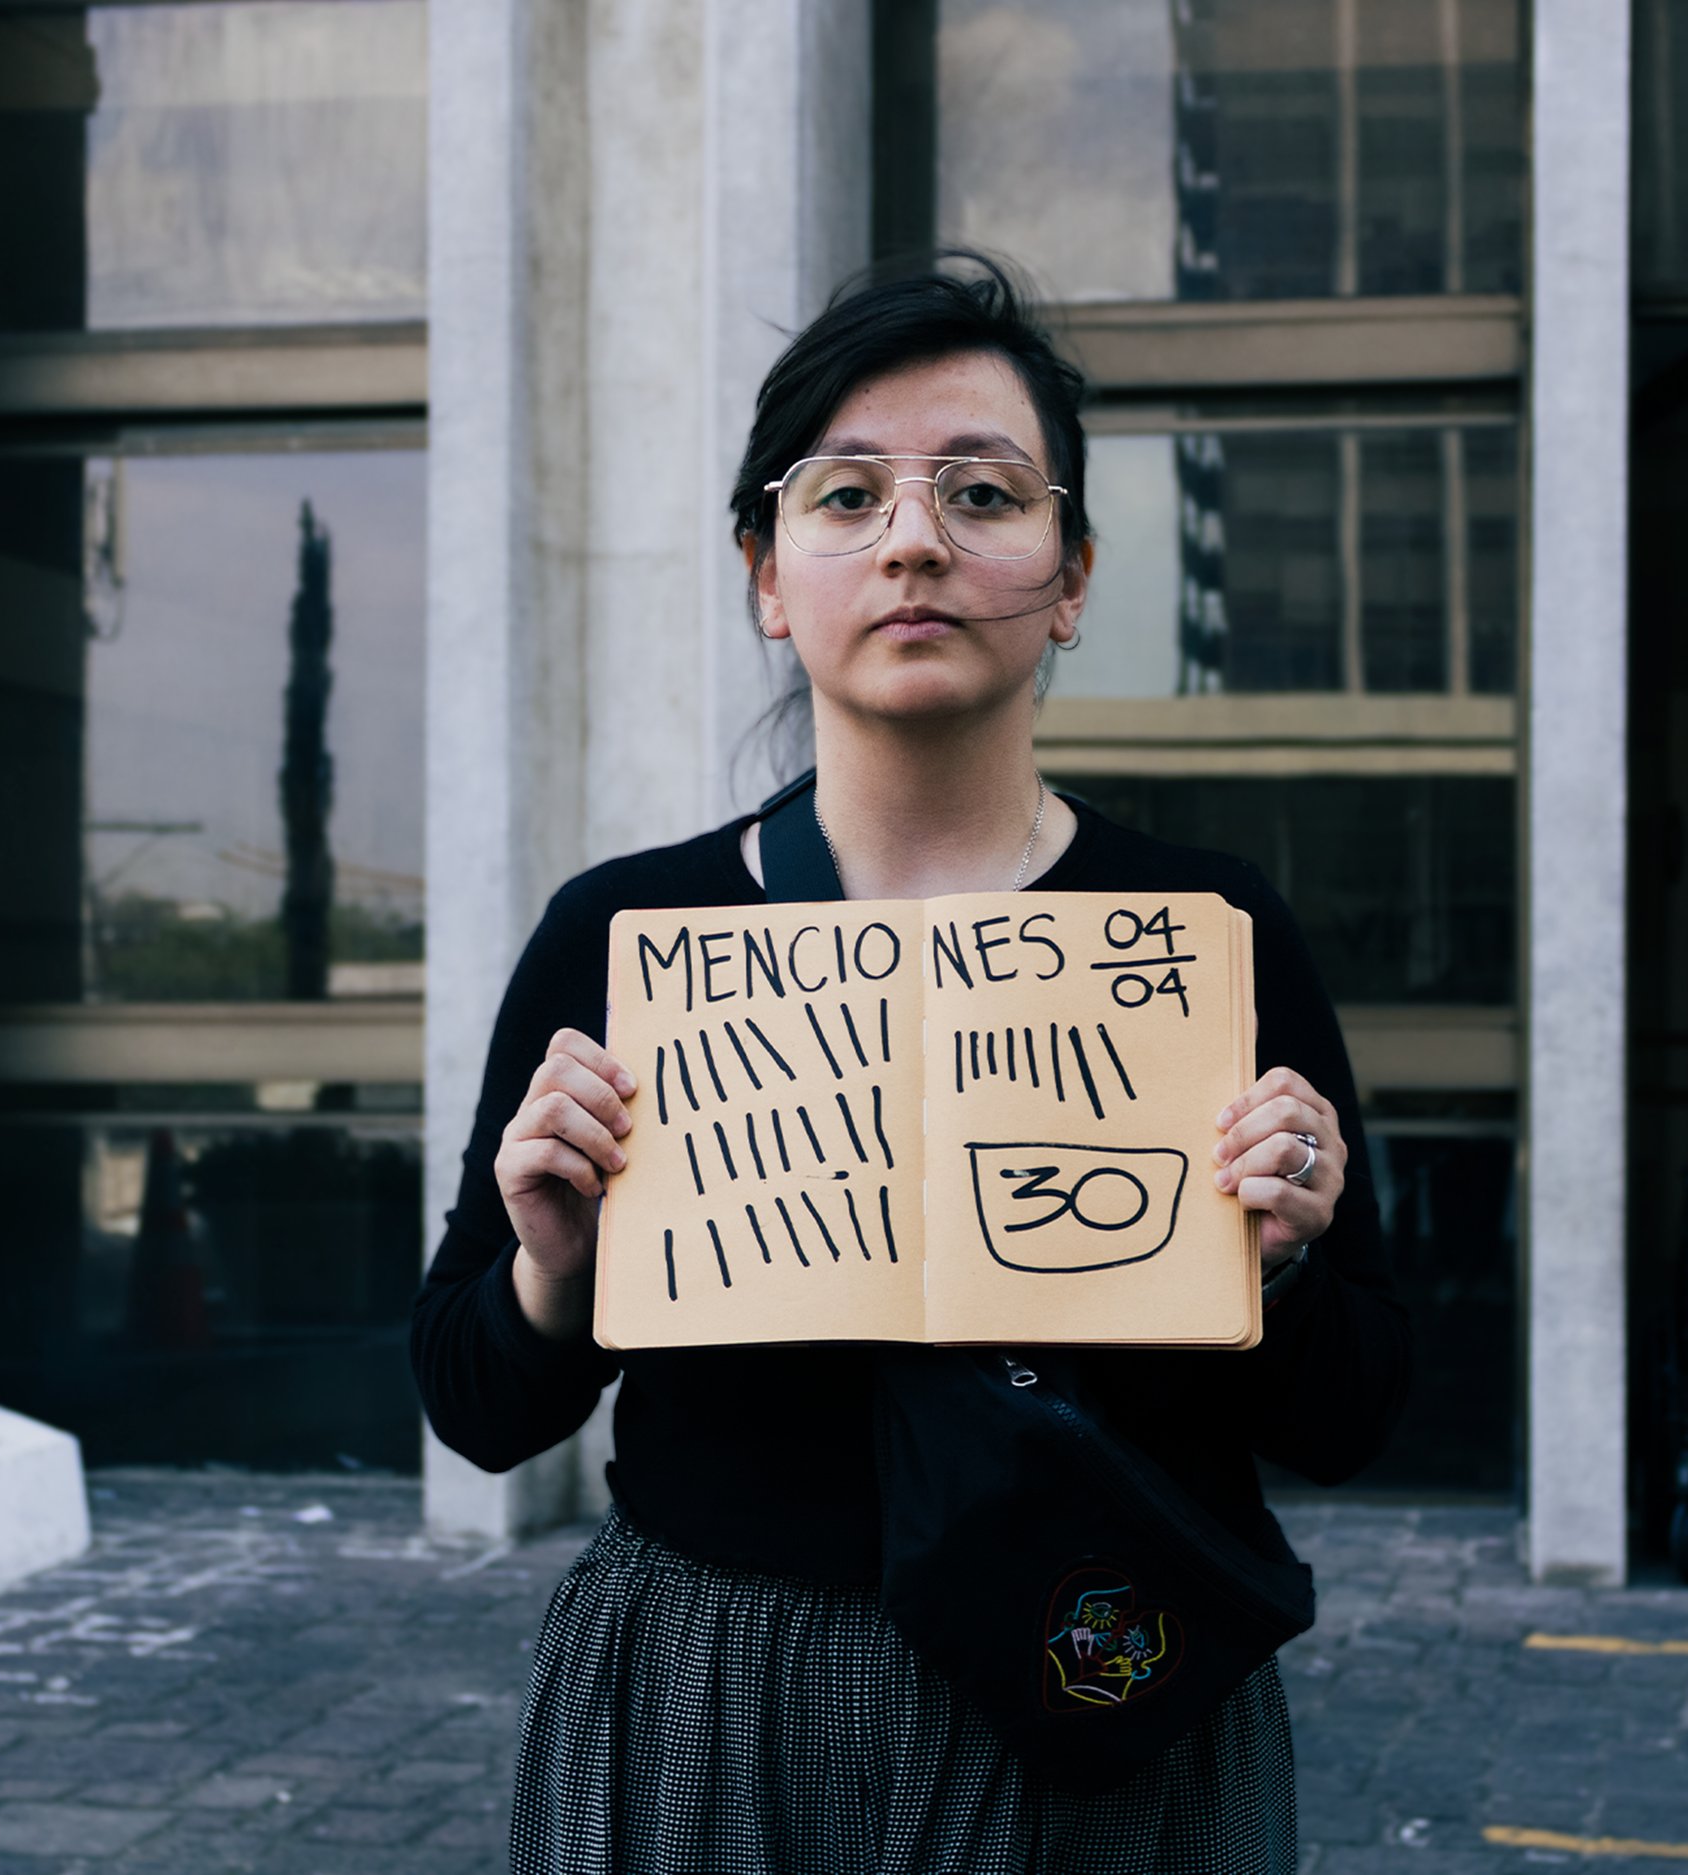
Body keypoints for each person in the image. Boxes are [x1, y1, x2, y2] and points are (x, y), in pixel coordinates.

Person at [411, 256, 1411, 1875]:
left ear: (1072, 580)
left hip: (1097, 1688)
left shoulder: (1208, 937)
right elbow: (472, 1403)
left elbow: (1360, 1408)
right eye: (847, 494)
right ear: (767, 575)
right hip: (712, 1704)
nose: (915, 540)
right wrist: (552, 1268)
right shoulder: (624, 934)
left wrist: (1280, 1264)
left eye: (984, 492)